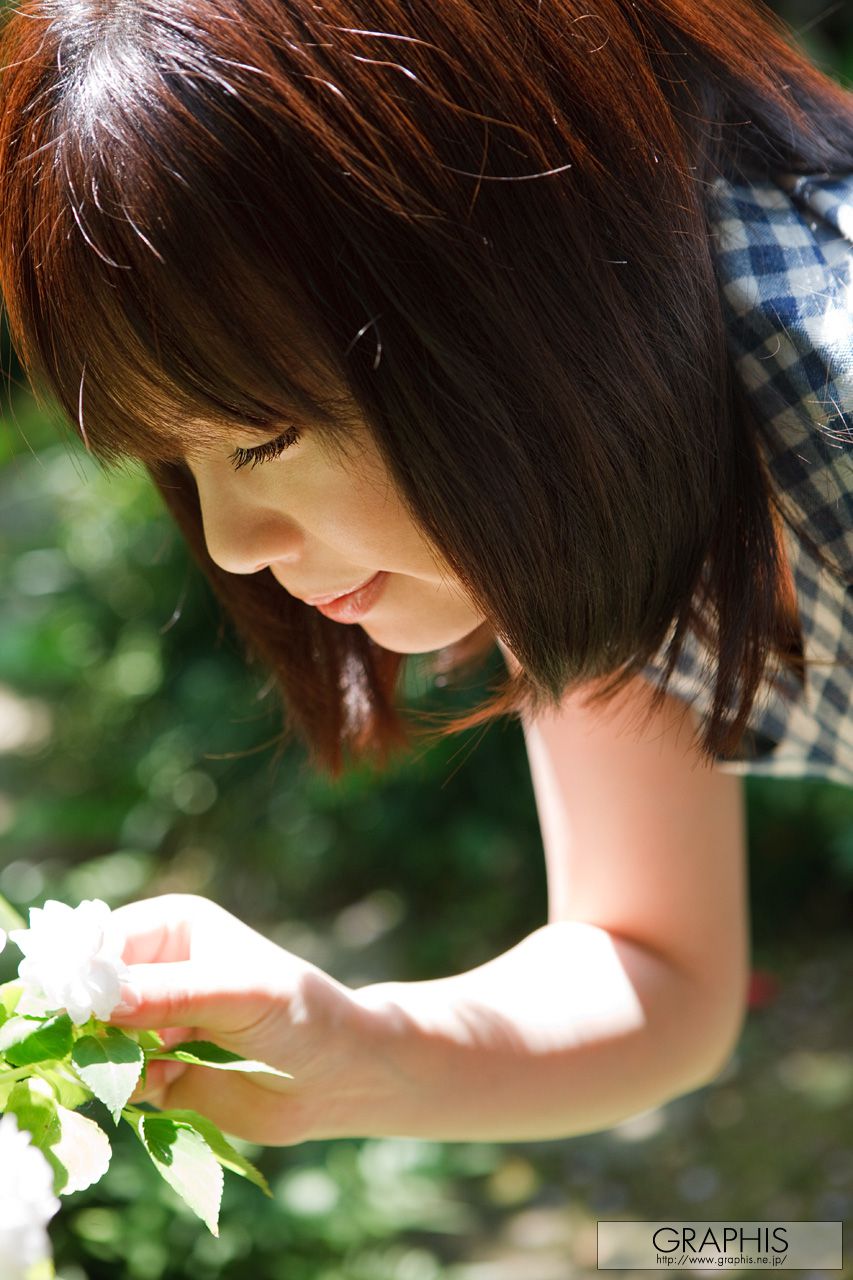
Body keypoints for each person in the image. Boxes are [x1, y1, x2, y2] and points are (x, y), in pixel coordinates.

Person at [0, 0, 850, 1145]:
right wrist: (357, 1051)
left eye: (260, 438)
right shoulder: (597, 466)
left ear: (497, 285)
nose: (232, 542)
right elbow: (651, 959)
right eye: (180, 460)